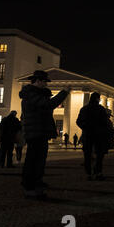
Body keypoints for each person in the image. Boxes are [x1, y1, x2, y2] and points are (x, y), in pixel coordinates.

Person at [19, 70, 69, 198]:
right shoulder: (31, 94)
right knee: (33, 160)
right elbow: (48, 104)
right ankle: (29, 186)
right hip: (35, 131)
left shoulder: (37, 94)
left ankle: (37, 182)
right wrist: (64, 92)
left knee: (39, 160)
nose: (46, 84)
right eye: (44, 82)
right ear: (37, 81)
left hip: (40, 131)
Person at [76, 92, 111, 181]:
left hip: (87, 134)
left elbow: (78, 121)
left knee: (87, 155)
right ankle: (98, 172)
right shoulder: (100, 109)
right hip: (98, 135)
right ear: (97, 99)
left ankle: (88, 173)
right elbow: (105, 122)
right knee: (99, 155)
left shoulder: (84, 109)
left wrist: (85, 128)